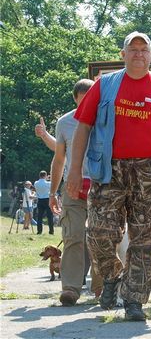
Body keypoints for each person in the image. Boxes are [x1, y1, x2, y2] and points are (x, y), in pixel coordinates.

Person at [66, 31, 151, 321]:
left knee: (146, 240)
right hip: (110, 169)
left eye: (143, 49)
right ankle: (111, 275)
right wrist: (74, 170)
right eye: (132, 49)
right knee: (98, 232)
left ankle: (134, 300)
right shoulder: (105, 85)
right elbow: (83, 126)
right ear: (123, 54)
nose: (138, 54)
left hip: (150, 171)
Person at [35, 79, 103, 306]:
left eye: (91, 100)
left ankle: (101, 287)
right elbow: (59, 158)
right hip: (73, 187)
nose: (87, 106)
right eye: (82, 101)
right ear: (75, 99)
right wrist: (53, 192)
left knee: (100, 237)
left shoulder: (106, 118)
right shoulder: (65, 122)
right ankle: (71, 289)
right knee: (73, 236)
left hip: (101, 185)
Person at [34, 170, 54, 235]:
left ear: (39, 175)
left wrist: (46, 179)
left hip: (40, 200)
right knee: (50, 216)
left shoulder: (36, 183)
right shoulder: (48, 183)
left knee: (39, 216)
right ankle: (51, 231)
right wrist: (49, 179)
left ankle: (39, 231)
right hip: (47, 199)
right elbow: (52, 186)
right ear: (45, 176)